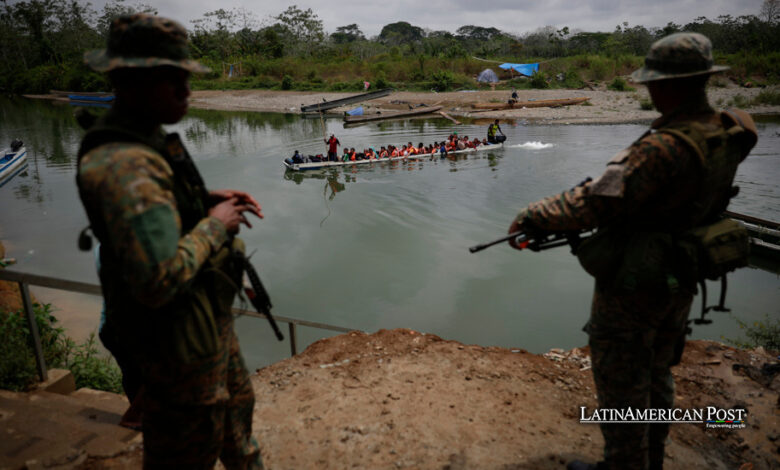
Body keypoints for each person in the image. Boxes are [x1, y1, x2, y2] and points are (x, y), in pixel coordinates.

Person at [506, 33, 756, 470]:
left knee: (622, 382)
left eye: (654, 83)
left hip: (638, 280)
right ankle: (650, 460)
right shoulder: (727, 130)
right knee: (658, 371)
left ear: (672, 85)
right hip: (682, 272)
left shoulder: (663, 146)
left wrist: (533, 214)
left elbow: (595, 203)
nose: (650, 92)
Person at [76, 14, 265, 469]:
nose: (186, 90)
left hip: (205, 327)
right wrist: (216, 223)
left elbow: (161, 208)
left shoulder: (145, 139)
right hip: (174, 353)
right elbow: (158, 280)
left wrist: (201, 199)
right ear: (128, 81)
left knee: (239, 434)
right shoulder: (124, 167)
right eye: (171, 79)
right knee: (184, 454)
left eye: (185, 78)